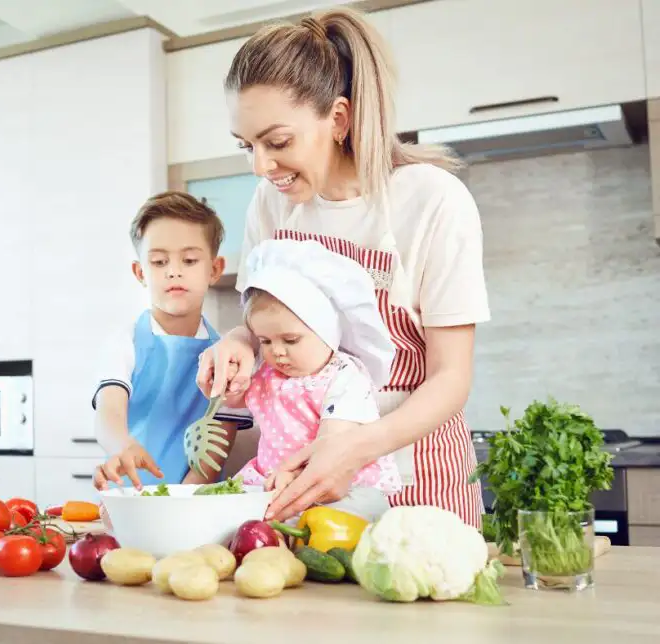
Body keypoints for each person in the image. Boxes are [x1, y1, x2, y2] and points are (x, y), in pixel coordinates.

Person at [196, 7, 490, 529]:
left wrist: (354, 448)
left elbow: (451, 377)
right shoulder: (271, 204)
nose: (260, 167)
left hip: (414, 475)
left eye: (277, 142)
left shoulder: (432, 201)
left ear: (338, 118)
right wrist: (240, 341)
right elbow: (262, 319)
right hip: (300, 484)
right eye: (247, 146)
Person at [226, 238, 401, 519]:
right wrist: (231, 382)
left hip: (337, 486)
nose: (277, 351)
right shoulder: (268, 373)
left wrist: (296, 475)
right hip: (274, 481)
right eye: (265, 341)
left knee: (351, 514)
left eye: (290, 340)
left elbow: (333, 438)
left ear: (327, 332)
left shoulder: (345, 376)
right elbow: (236, 401)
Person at [92, 191, 252, 492]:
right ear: (140, 272)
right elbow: (108, 413)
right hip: (128, 499)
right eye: (159, 261)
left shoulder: (227, 358)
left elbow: (216, 449)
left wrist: (180, 501)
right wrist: (123, 445)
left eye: (189, 260)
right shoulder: (125, 343)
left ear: (214, 269)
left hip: (193, 500)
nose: (174, 271)